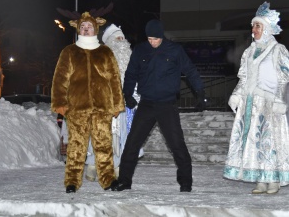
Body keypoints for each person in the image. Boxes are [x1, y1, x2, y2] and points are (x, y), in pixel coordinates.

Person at [111, 19, 206, 192]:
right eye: (150, 39)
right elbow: (131, 73)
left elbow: (190, 70)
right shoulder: (140, 50)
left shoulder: (175, 50)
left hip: (167, 104)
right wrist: (127, 94)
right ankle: (124, 181)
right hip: (147, 103)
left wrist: (200, 93)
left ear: (162, 36)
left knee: (177, 143)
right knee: (132, 143)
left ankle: (186, 181)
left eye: (156, 39)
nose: (153, 42)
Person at [51, 12, 125, 193]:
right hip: (77, 108)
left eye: (89, 27)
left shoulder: (105, 52)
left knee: (104, 145)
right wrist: (60, 102)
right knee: (76, 146)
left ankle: (108, 180)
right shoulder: (69, 52)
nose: (85, 29)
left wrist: (117, 104)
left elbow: (114, 79)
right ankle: (72, 181)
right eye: (82, 27)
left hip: (102, 108)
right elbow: (60, 79)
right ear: (78, 29)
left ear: (95, 29)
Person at [223, 2, 289, 194]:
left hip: (270, 101)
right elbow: (244, 77)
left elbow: (285, 77)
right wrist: (236, 95)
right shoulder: (249, 51)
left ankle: (273, 179)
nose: (254, 29)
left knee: (270, 141)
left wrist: (279, 100)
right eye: (253, 26)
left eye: (258, 26)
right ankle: (261, 178)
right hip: (251, 102)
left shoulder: (278, 50)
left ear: (267, 28)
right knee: (254, 141)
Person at [85, 24, 143, 181]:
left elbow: (137, 83)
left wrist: (136, 100)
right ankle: (92, 165)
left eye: (123, 38)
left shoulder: (132, 60)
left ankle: (116, 167)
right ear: (110, 41)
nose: (122, 41)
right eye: (118, 38)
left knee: (120, 137)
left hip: (123, 108)